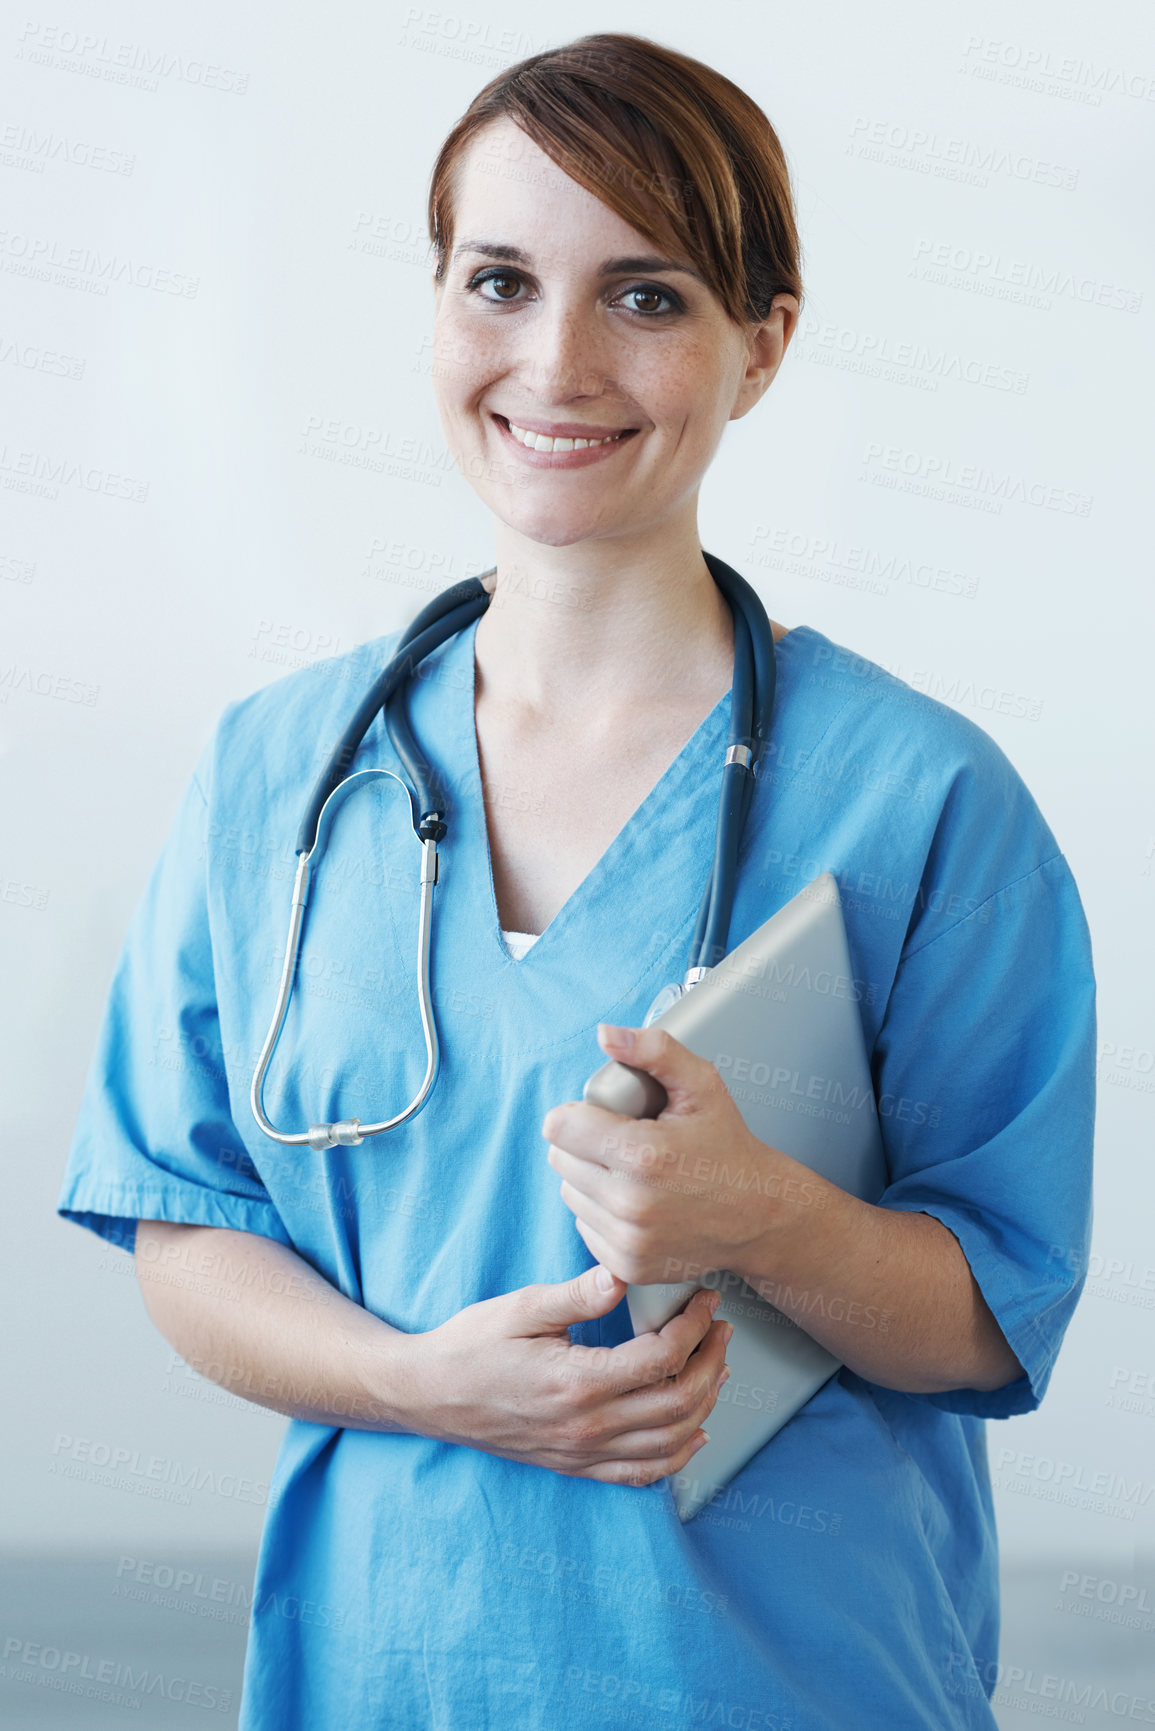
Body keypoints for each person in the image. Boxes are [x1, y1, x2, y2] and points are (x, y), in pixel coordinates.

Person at [57, 32, 1096, 1731]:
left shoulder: (922, 798)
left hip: (792, 1684)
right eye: (500, 279)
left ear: (762, 346)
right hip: (381, 1675)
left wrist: (763, 1215)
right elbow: (189, 1220)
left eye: (646, 295)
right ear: (437, 303)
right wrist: (421, 1386)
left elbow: (993, 1321)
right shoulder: (280, 777)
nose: (555, 361)